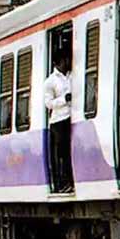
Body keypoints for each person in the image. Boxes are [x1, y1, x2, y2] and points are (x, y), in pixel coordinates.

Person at [44, 53, 74, 194]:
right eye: (64, 60)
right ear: (57, 63)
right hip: (59, 120)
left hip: (71, 117)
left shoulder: (72, 75)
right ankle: (64, 182)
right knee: (63, 153)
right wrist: (64, 99)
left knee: (72, 150)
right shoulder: (50, 82)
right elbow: (48, 104)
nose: (66, 62)